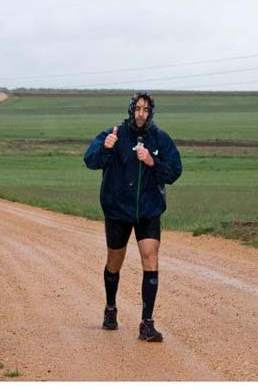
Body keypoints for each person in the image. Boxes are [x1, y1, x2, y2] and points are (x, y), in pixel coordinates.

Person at [83, 92, 182, 342]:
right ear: (131, 110)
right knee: (114, 262)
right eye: (137, 109)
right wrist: (105, 149)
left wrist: (152, 161)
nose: (141, 114)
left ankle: (146, 324)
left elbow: (174, 171)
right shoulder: (114, 134)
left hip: (148, 210)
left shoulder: (159, 138)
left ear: (151, 113)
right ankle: (110, 309)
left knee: (151, 257)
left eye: (146, 110)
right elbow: (89, 160)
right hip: (118, 209)